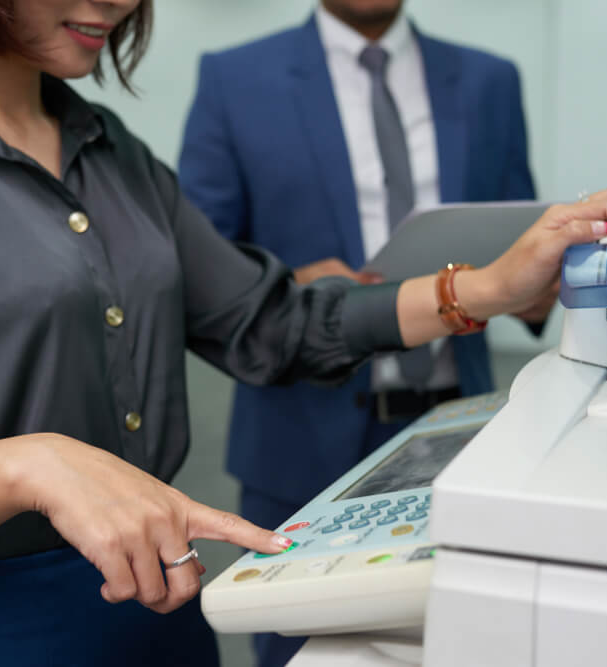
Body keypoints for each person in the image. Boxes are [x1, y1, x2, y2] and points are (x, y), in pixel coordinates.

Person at [0, 0, 607, 665]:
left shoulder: (111, 152)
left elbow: (269, 321)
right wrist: (25, 463)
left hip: (169, 614)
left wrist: (487, 286)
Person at [178, 1, 549, 663]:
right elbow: (199, 264)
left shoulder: (491, 81)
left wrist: (540, 282)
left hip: (463, 428)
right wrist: (289, 284)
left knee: (469, 643)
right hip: (299, 438)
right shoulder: (235, 79)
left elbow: (517, 237)